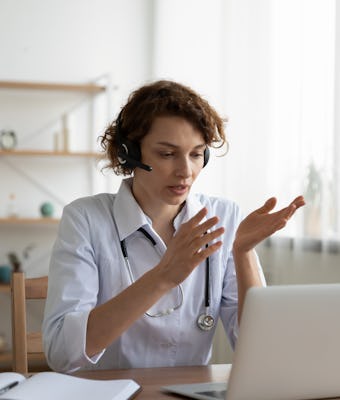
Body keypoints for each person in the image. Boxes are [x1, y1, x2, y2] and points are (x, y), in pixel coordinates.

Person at [42, 80, 305, 373]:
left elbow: (260, 353)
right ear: (130, 153)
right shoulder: (86, 219)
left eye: (196, 154)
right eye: (167, 154)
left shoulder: (223, 216)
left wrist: (243, 253)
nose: (186, 171)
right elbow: (61, 354)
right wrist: (162, 277)